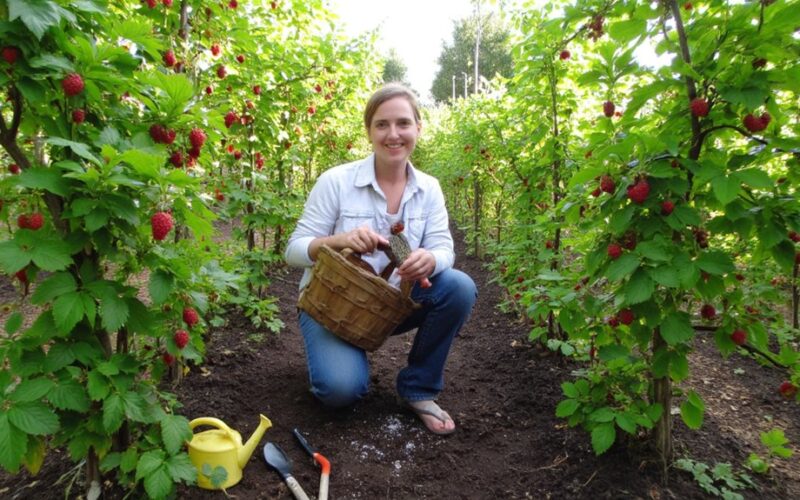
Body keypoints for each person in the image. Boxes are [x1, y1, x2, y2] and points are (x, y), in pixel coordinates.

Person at [285, 83, 477, 435]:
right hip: (333, 306)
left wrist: (430, 261)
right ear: (369, 131)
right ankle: (340, 361)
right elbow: (293, 250)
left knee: (459, 287)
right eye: (382, 124)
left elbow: (444, 247)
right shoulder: (336, 182)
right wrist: (336, 241)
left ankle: (417, 389)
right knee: (341, 391)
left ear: (418, 127)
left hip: (392, 304)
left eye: (403, 123)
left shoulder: (429, 188)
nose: (393, 134)